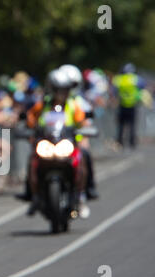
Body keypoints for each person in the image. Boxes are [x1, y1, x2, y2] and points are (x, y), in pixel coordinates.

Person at [26, 69, 90, 218]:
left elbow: (82, 122)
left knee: (84, 157)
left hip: (68, 144)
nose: (62, 93)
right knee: (32, 161)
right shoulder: (43, 105)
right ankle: (33, 196)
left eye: (65, 90)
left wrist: (84, 131)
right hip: (47, 143)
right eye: (59, 90)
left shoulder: (73, 105)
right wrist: (29, 129)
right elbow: (31, 118)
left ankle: (81, 196)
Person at [59, 64, 99, 200]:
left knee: (85, 155)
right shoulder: (48, 102)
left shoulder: (78, 102)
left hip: (73, 141)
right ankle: (32, 192)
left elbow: (85, 122)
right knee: (34, 158)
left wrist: (83, 135)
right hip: (53, 141)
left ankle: (87, 188)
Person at [112, 63, 145, 149]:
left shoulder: (119, 79)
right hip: (132, 105)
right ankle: (132, 142)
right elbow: (142, 87)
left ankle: (120, 142)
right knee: (132, 125)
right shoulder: (136, 79)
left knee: (121, 125)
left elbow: (114, 91)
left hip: (122, 104)